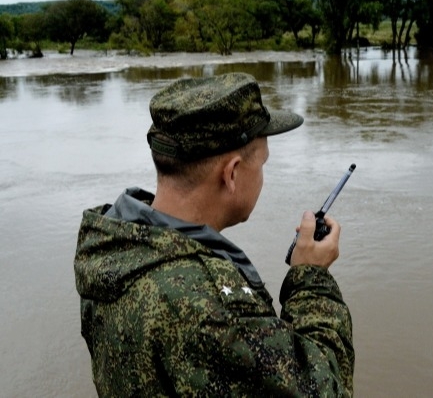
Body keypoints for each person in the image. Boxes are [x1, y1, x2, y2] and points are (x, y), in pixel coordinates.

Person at [74, 72, 354, 396]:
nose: (263, 175)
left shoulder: (111, 244)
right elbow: (326, 388)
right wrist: (311, 278)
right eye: (263, 163)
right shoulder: (215, 308)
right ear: (232, 173)